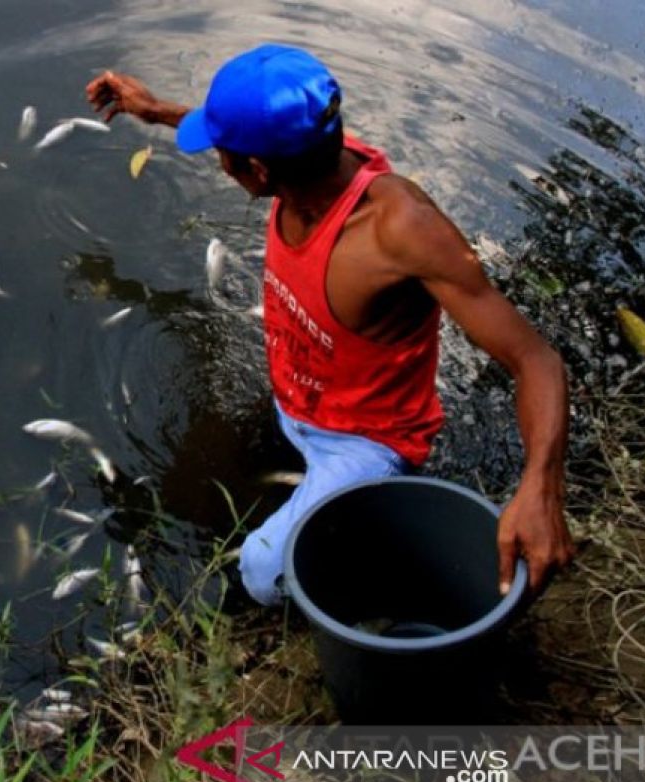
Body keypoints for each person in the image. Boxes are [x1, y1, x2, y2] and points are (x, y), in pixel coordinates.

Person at [86, 44, 575, 605]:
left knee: (261, 573)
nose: (221, 163)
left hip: (367, 443)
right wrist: (155, 111)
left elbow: (537, 359)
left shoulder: (402, 231)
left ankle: (372, 548)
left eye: (223, 153)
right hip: (295, 403)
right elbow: (249, 137)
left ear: (258, 169)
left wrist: (541, 484)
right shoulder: (309, 158)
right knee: (194, 486)